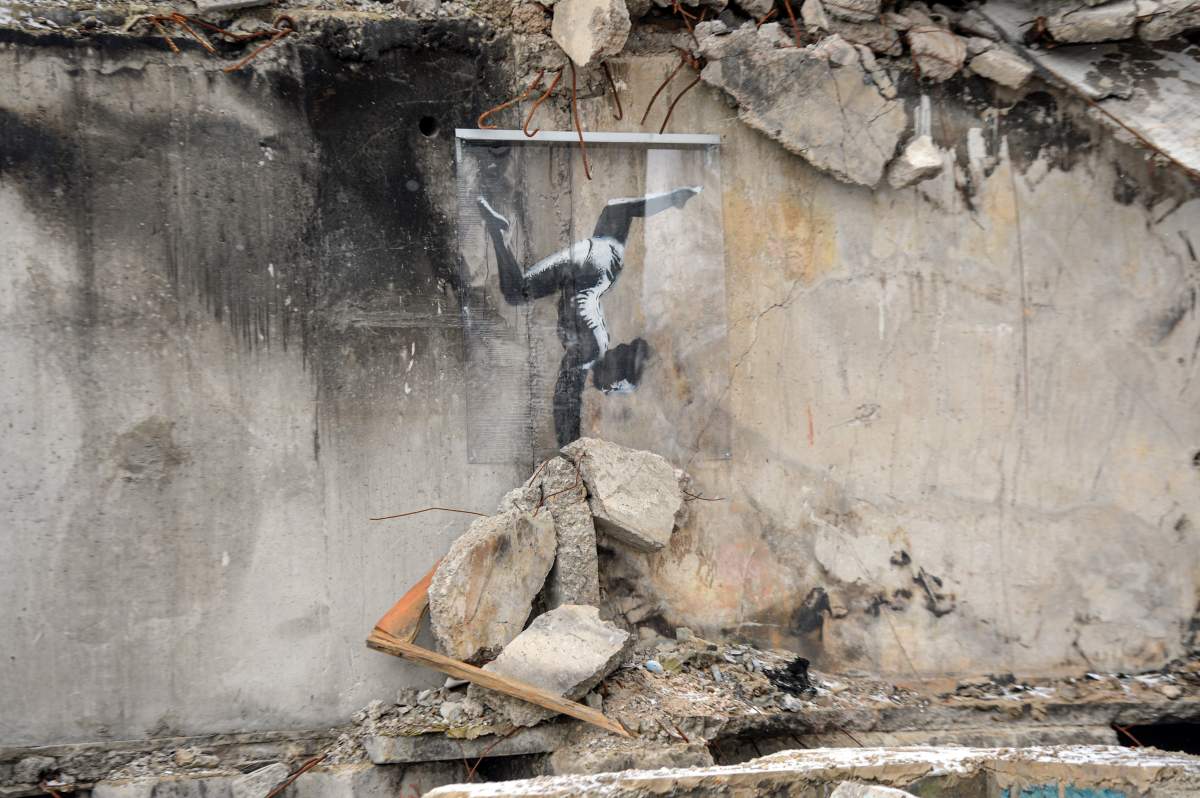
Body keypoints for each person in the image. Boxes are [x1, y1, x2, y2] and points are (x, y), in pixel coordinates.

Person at [478, 185, 703, 446]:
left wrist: (672, 198)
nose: (607, 390)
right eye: (615, 387)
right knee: (516, 292)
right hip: (591, 266)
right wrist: (572, 448)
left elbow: (617, 208)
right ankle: (497, 231)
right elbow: (565, 401)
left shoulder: (595, 332)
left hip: (594, 252)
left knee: (518, 290)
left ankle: (497, 230)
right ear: (615, 372)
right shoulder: (590, 350)